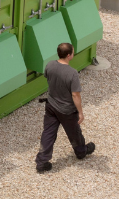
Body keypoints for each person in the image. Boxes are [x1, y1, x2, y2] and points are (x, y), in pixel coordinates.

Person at [35, 41, 95, 172]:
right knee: (74, 133)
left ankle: (41, 162)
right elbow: (75, 95)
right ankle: (81, 152)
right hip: (67, 110)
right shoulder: (72, 73)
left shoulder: (50, 65)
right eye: (73, 51)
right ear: (69, 55)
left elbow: (48, 78)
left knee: (48, 133)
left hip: (51, 105)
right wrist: (80, 112)